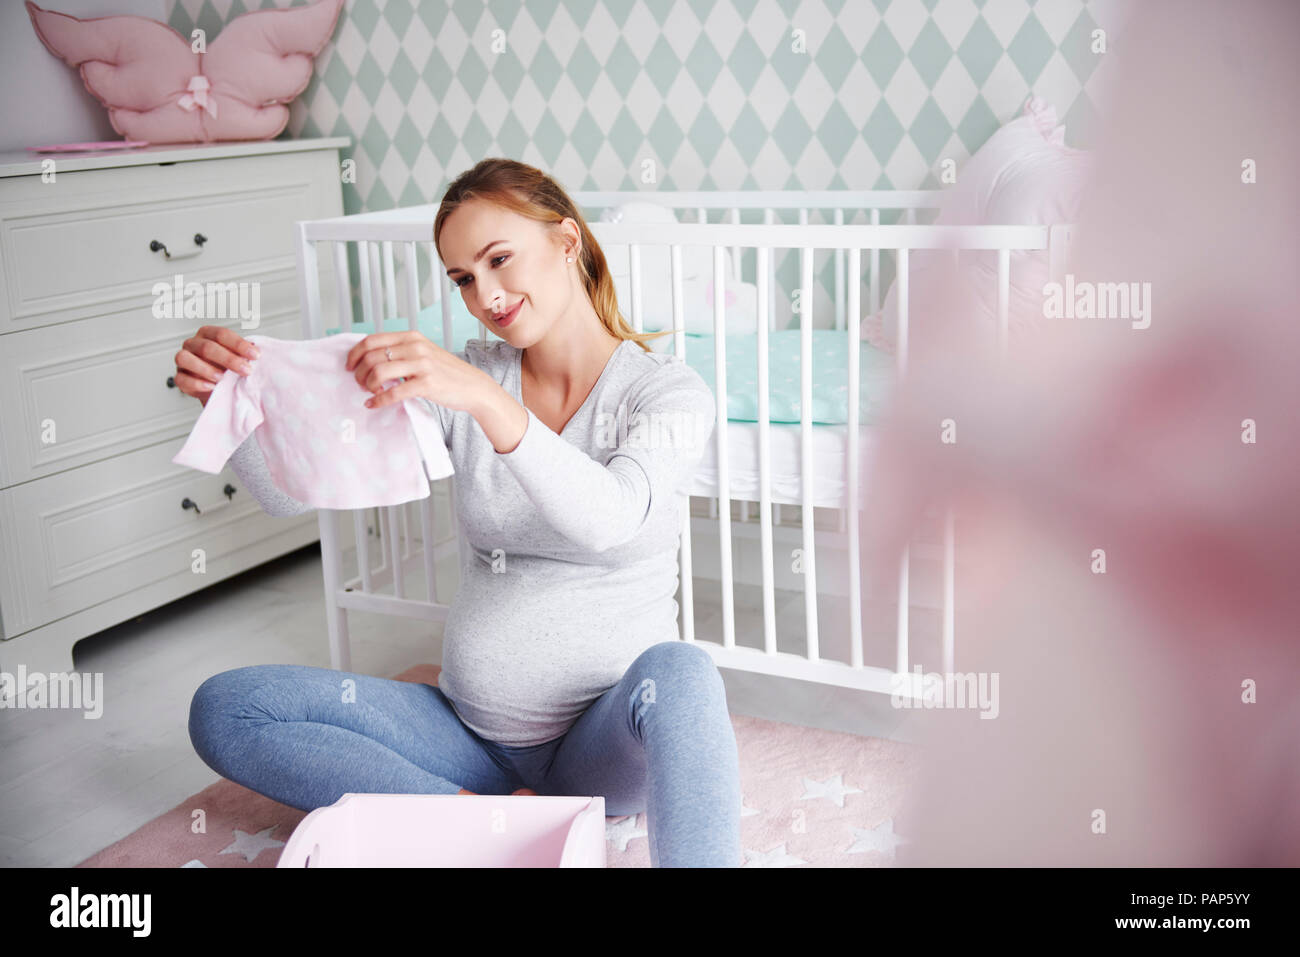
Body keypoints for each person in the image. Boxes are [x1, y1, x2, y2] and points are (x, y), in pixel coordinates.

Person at [177, 158, 741, 867]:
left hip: (598, 751)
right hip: (470, 737)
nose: (487, 295)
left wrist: (483, 398)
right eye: (463, 279)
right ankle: (485, 823)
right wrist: (232, 405)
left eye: (499, 259)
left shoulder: (666, 394)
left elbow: (609, 517)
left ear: (568, 241)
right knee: (227, 707)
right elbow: (290, 496)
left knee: (684, 673)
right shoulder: (470, 378)